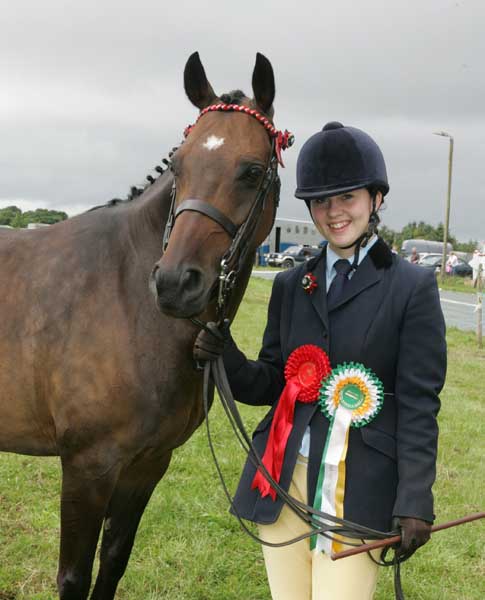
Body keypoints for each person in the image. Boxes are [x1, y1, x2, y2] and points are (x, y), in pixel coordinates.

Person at [194, 121, 447, 600]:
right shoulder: (292, 285)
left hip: (359, 489)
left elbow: (419, 402)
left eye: (347, 197)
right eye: (321, 202)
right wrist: (225, 354)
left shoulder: (411, 289)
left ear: (375, 199)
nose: (334, 213)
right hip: (283, 479)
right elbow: (270, 382)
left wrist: (415, 498)